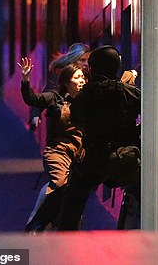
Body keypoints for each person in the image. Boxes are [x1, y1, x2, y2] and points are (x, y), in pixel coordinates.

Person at [56, 45, 141, 230]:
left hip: (94, 158)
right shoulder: (128, 92)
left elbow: (76, 117)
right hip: (125, 157)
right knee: (143, 191)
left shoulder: (86, 95)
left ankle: (62, 239)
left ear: (94, 69)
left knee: (72, 203)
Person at [18, 57, 87, 232]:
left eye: (83, 77)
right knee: (60, 183)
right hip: (57, 151)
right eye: (77, 77)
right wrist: (26, 80)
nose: (82, 81)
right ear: (66, 82)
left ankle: (64, 227)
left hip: (79, 155)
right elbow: (32, 99)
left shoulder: (87, 99)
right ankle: (38, 223)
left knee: (75, 192)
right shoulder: (54, 97)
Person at [28, 43, 90, 131]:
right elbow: (46, 94)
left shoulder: (89, 74)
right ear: (73, 60)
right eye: (82, 60)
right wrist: (35, 114)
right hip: (62, 123)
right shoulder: (60, 74)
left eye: (88, 60)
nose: (86, 63)